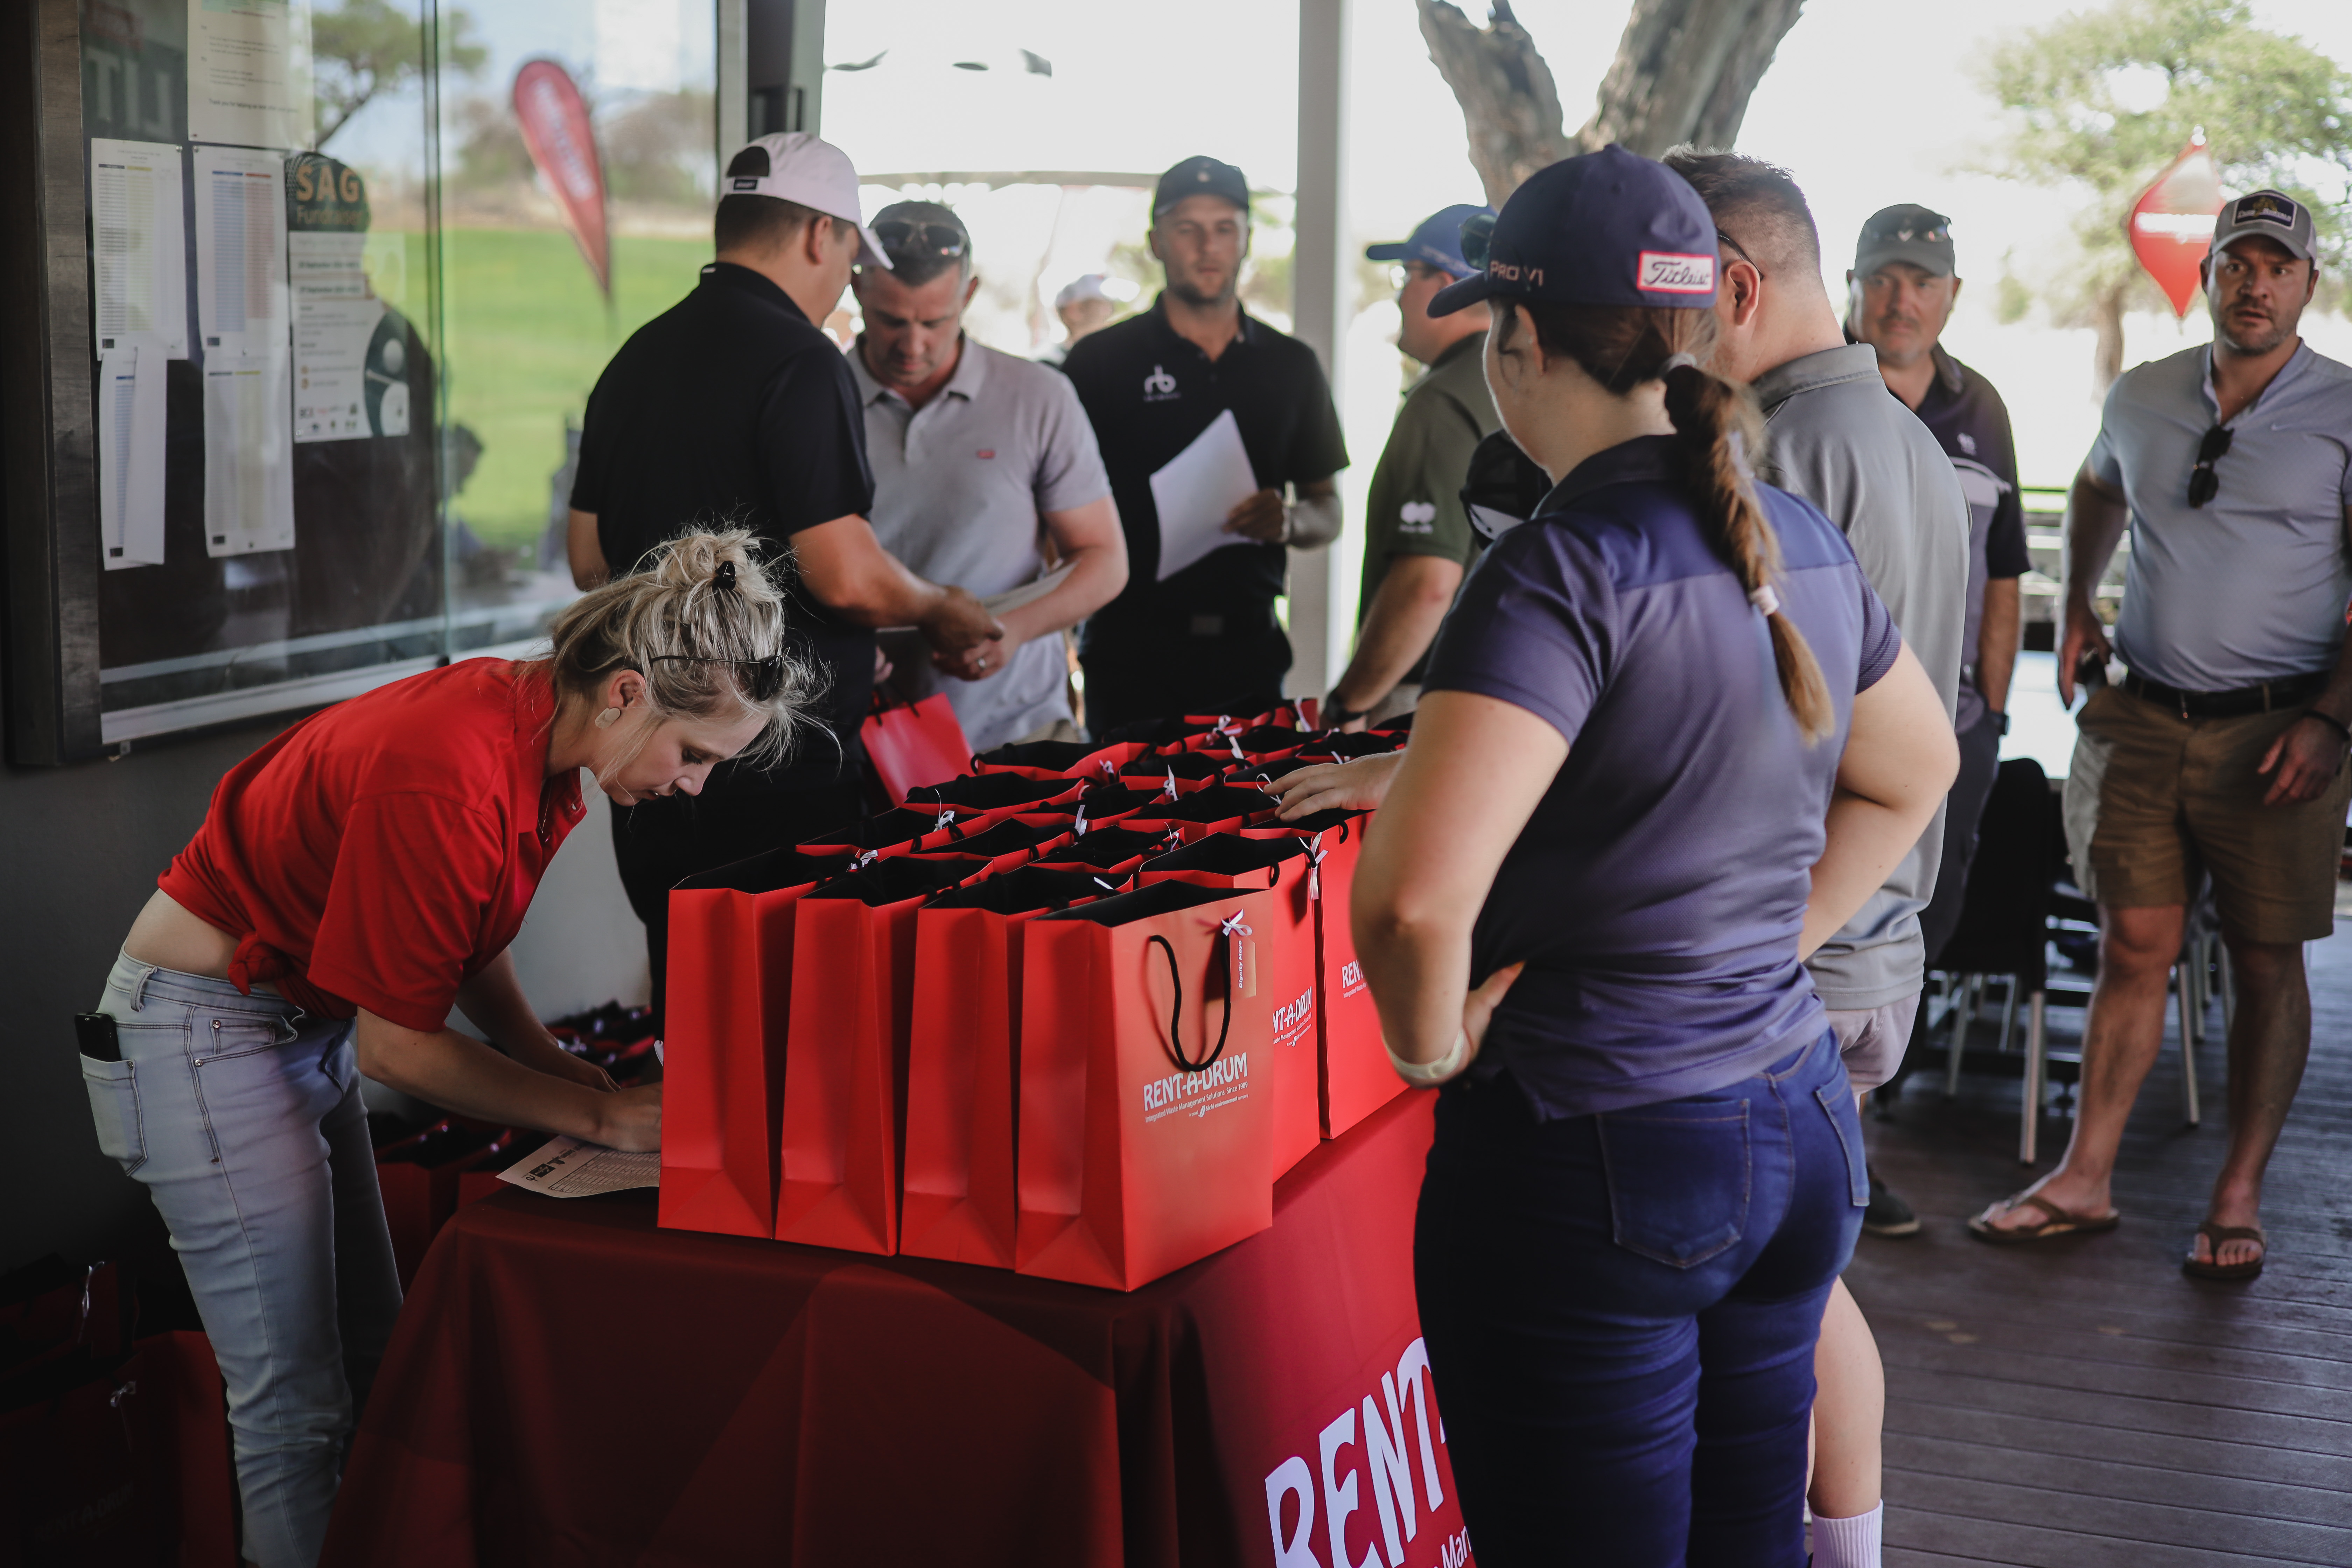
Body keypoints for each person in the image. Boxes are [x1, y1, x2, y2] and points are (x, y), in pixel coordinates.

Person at [1346, 145, 1956, 1568]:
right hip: (1791, 1120)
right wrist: (1760, 953)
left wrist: (1429, 1050)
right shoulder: (1790, 535)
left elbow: (1417, 903)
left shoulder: (1556, 567)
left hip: (1602, 1144)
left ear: (1516, 339)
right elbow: (1915, 770)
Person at [79, 532, 798, 1568]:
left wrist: (548, 1060)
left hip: (298, 1028)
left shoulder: (539, 733)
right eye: (694, 754)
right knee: (296, 1409)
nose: (693, 786)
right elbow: (398, 1051)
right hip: (200, 1035)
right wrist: (602, 1115)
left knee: (384, 1357)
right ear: (627, 694)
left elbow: (455, 935)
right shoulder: (452, 769)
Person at [1666, 146, 1969, 1568]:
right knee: (1799, 1289)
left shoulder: (1783, 453)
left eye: (1662, 297)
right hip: (1868, 940)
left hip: (1800, 942)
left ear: (1733, 288)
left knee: (1781, 1305)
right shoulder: (1898, 432)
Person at [1973, 190, 2352, 1283]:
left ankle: (2236, 1193)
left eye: (2277, 267)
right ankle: (2082, 1178)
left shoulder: (2343, 409)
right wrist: (2077, 602)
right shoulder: (2141, 393)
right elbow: (2099, 486)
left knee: (2264, 959)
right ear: (2209, 274)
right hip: (2139, 714)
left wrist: (2331, 718)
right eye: (2237, 262)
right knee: (2131, 946)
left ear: (2307, 283)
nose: (2254, 284)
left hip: (2278, 731)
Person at [566, 133, 1001, 1023]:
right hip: (777, 765)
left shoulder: (635, 357)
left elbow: (590, 561)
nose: (846, 278)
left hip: (652, 762)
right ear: (818, 234)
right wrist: (937, 607)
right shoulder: (802, 359)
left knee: (693, 1014)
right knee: (797, 1025)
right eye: (850, 255)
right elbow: (844, 575)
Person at [1062, 155, 1349, 734]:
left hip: (1249, 653)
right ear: (1156, 242)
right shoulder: (1100, 363)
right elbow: (1054, 513)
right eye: (1187, 229)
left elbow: (1328, 509)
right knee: (1124, 797)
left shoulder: (1292, 365)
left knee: (1252, 797)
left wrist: (1289, 521)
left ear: (1247, 240)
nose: (1207, 246)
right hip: (1127, 653)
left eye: (1224, 229)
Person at [846, 202, 1128, 751]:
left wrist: (1014, 630)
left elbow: (1104, 559)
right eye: (891, 320)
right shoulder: (812, 399)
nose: (913, 345)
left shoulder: (1039, 396)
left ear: (968, 295)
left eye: (935, 322)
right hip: (860, 741)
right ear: (857, 288)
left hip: (1019, 733)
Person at [1848, 204, 2030, 982]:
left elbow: (2004, 570)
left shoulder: (1983, 407)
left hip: (1954, 725)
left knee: (1931, 921)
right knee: (1830, 930)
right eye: (1882, 280)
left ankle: (1895, 1056)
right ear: (1851, 285)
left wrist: (1992, 716)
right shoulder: (1808, 395)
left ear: (1952, 293)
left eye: (1922, 282)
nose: (1902, 302)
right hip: (1834, 724)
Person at [1323, 203, 1501, 730]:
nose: (1400, 296)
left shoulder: (1443, 400)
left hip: (1421, 698)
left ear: (1444, 286)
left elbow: (1426, 584)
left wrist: (1348, 702)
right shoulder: (1522, 382)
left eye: (1407, 276)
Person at [1036, 272, 1129, 368]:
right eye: (1105, 305)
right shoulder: (1051, 365)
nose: (1111, 312)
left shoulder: (1114, 358)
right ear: (1075, 311)